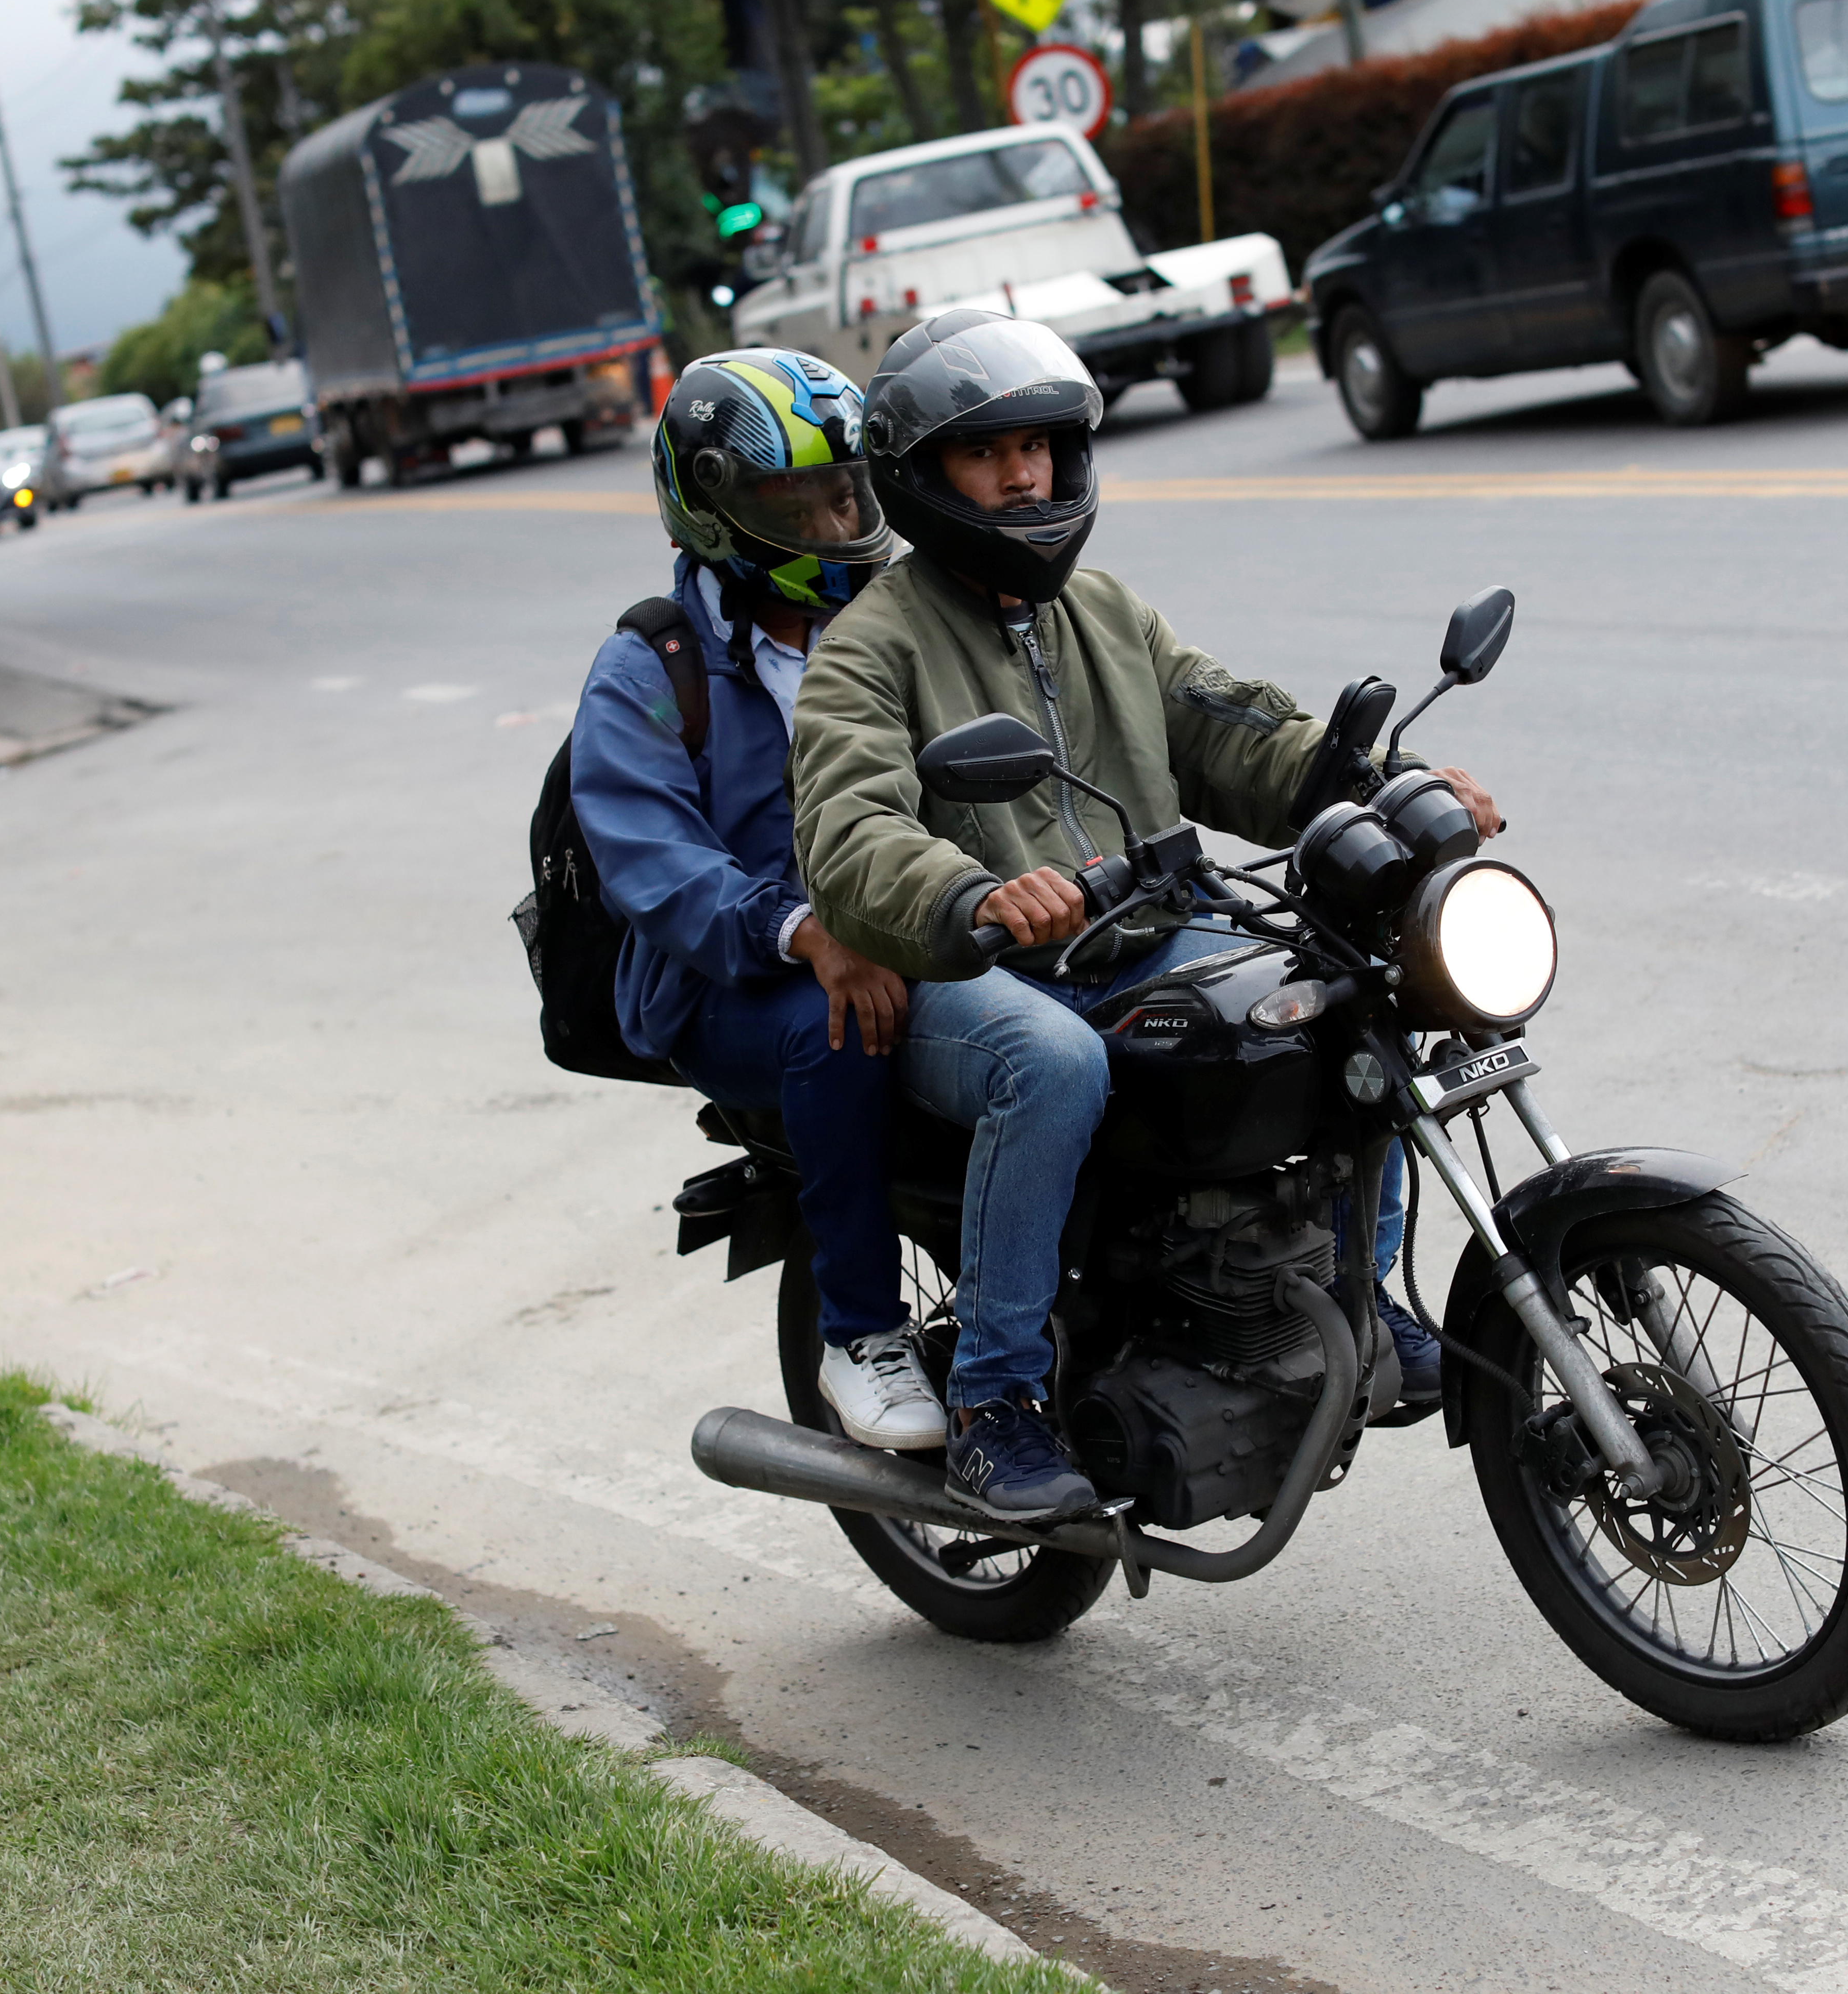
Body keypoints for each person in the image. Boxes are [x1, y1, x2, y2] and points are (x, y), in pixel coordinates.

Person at [788, 309, 1503, 1522]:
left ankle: (1355, 1290)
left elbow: (1239, 735)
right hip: (970, 972)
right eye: (988, 453)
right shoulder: (869, 648)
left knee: (1339, 986)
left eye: (1042, 448)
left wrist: (1388, 784)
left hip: (1139, 931)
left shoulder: (1106, 612)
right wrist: (971, 893)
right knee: (1054, 1064)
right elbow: (848, 837)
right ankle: (994, 1410)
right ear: (922, 475)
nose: (1025, 474)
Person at [568, 350, 944, 1451]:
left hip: (900, 924)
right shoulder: (650, 668)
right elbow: (653, 863)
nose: (836, 524)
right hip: (721, 979)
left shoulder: (892, 619)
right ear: (722, 509)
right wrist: (801, 931)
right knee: (836, 1035)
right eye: (801, 503)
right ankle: (864, 1333)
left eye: (848, 495)